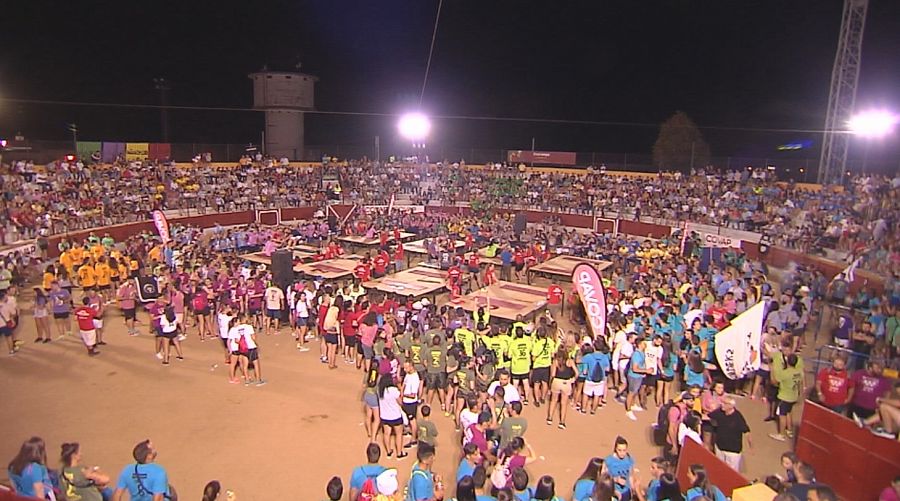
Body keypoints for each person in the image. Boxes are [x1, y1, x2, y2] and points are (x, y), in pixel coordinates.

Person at [708, 396, 751, 471]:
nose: (722, 404)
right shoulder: (719, 412)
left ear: (731, 406)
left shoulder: (738, 417)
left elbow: (747, 432)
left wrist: (751, 447)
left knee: (731, 471)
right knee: (719, 469)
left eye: (724, 403)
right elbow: (708, 417)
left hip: (732, 451)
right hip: (720, 448)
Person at [770, 353, 803, 442]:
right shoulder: (799, 372)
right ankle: (789, 430)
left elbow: (774, 382)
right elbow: (801, 384)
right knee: (788, 412)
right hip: (793, 396)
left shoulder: (785, 373)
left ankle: (781, 434)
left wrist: (772, 370)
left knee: (782, 415)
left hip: (784, 397)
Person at [848, 359, 891, 423]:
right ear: (870, 367)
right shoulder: (859, 373)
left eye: (881, 368)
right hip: (856, 405)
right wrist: (849, 399)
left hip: (872, 409)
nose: (880, 370)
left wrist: (881, 407)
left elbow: (887, 393)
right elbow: (851, 387)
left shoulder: (884, 380)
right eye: (877, 367)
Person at [378, 374, 406, 459]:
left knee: (386, 434)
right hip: (395, 416)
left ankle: (389, 451)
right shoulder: (393, 390)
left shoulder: (380, 391)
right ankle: (399, 453)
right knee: (399, 434)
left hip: (384, 416)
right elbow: (400, 402)